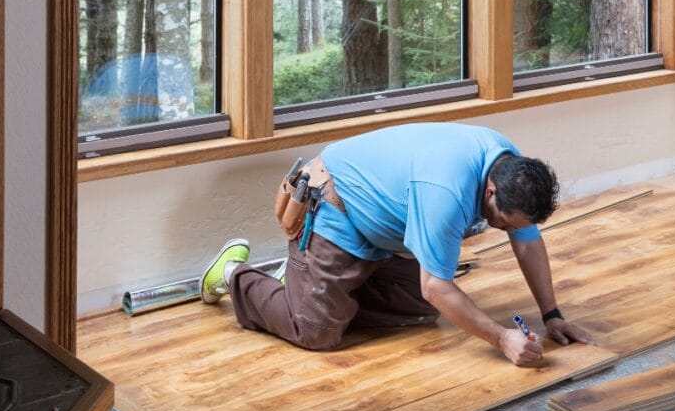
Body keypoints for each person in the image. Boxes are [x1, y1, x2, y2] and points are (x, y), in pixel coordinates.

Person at [199, 122, 594, 366]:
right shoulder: (446, 192)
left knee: (420, 311)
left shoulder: (512, 171)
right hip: (337, 210)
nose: (509, 231)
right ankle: (237, 274)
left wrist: (552, 314)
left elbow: (527, 242)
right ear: (490, 191)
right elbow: (437, 286)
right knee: (316, 331)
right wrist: (501, 338)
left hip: (384, 231)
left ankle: (310, 284)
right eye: (504, 223)